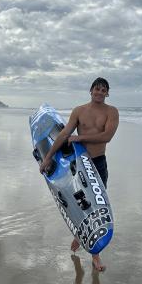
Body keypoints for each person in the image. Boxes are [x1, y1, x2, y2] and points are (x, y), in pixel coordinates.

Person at [40, 77, 119, 272]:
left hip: (98, 164)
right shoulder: (79, 111)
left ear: (107, 93)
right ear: (90, 90)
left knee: (96, 208)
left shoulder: (112, 112)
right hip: (79, 164)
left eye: (103, 90)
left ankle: (94, 255)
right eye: (97, 89)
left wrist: (80, 137)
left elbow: (107, 136)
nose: (100, 92)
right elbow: (65, 134)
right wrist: (48, 157)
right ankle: (80, 235)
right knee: (78, 201)